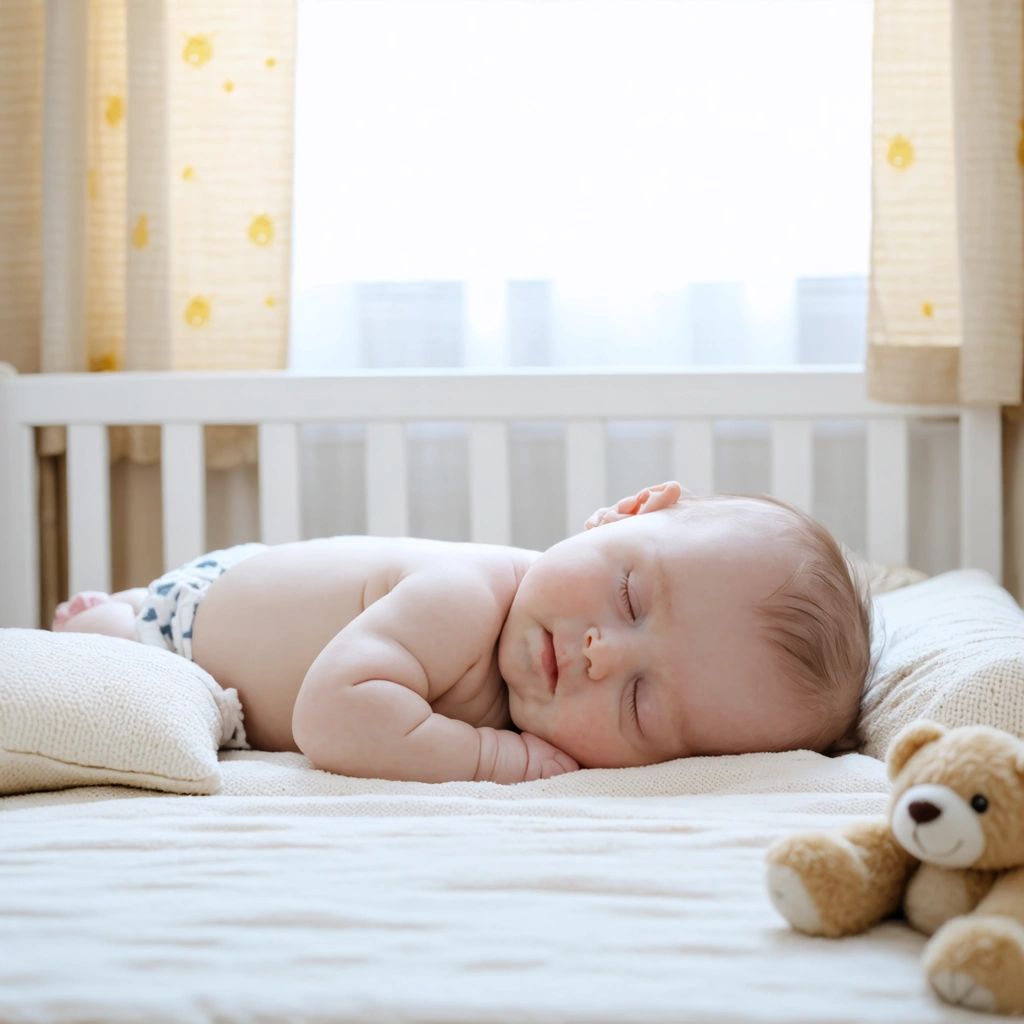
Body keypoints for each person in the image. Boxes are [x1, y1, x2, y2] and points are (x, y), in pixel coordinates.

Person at [52, 482, 871, 784]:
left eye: (643, 703)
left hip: (257, 617)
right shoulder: (469, 596)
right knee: (115, 655)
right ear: (621, 513)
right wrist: (493, 756)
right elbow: (329, 715)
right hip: (201, 622)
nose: (602, 653)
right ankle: (119, 613)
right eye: (628, 594)